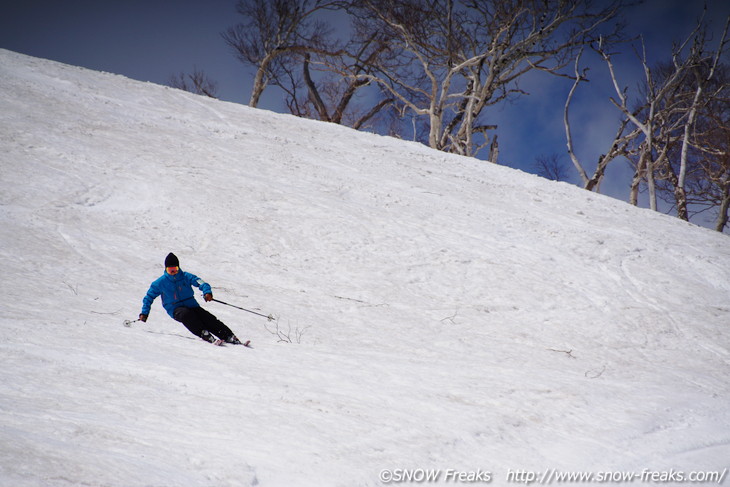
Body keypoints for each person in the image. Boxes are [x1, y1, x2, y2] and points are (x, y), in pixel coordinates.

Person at [139, 253, 245, 345]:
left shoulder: (186, 276)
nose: (173, 272)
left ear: (178, 268)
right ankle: (203, 333)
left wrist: (207, 292)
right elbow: (148, 298)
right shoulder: (160, 283)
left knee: (208, 318)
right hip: (175, 309)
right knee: (186, 315)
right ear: (166, 270)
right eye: (170, 270)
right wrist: (144, 313)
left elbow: (200, 282)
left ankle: (228, 336)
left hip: (191, 305)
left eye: (175, 269)